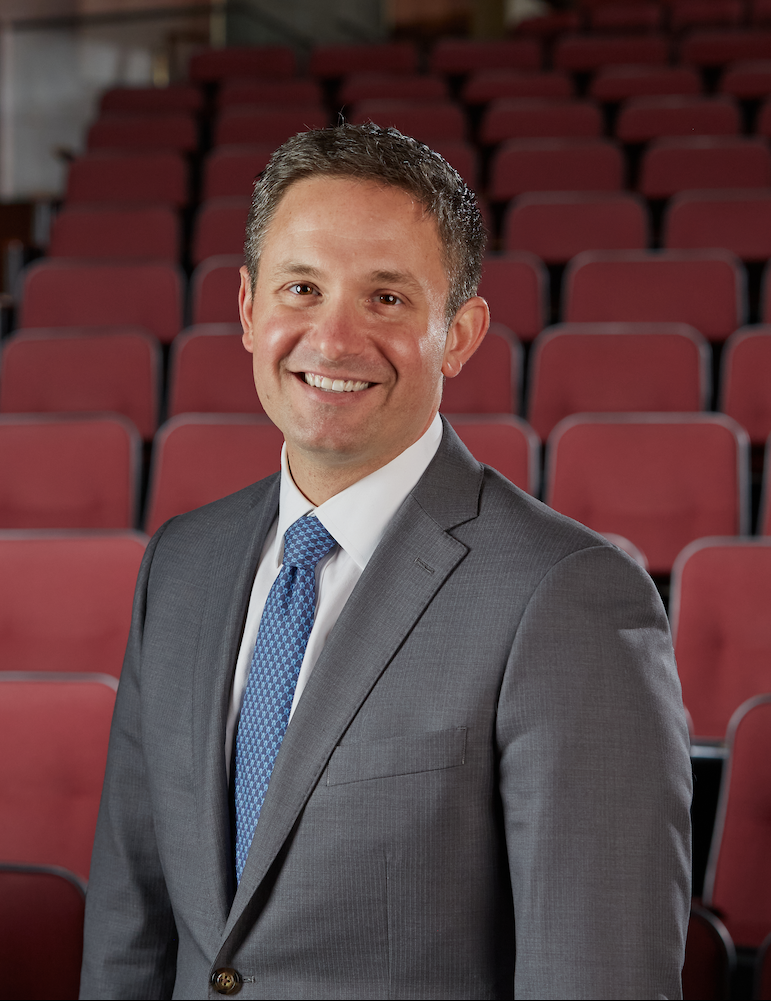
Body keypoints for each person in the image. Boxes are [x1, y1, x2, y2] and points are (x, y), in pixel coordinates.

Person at [80, 123, 692, 1000]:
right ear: (249, 309)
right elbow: (127, 935)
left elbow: (600, 976)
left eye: (388, 299)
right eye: (302, 288)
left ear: (462, 333)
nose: (332, 340)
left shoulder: (569, 598)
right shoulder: (181, 565)